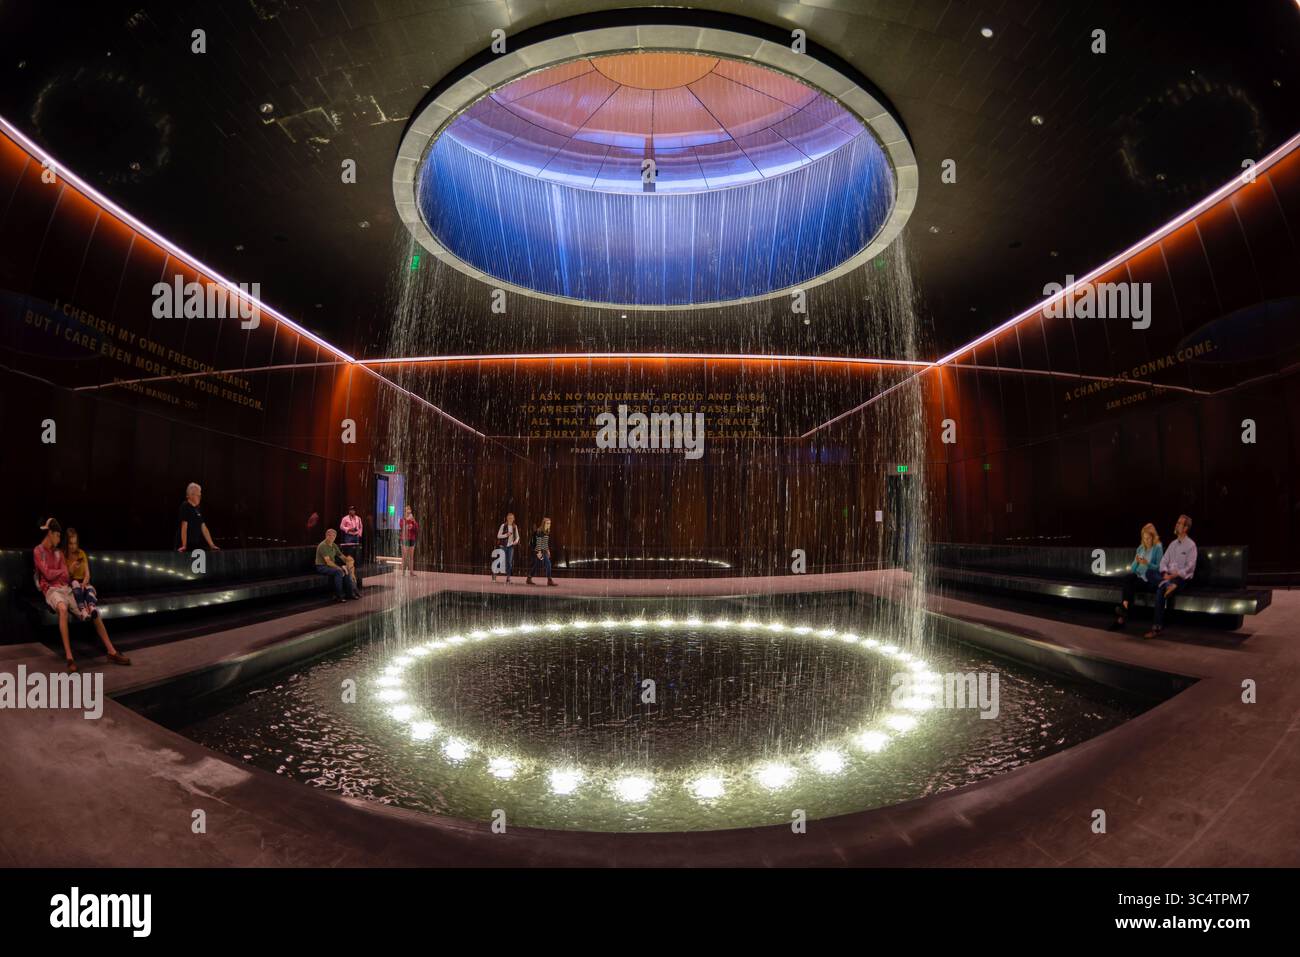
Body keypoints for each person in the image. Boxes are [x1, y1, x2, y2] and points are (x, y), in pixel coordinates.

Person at [34, 519, 129, 672]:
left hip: (66, 589)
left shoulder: (58, 553)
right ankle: (69, 657)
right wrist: (63, 572)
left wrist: (67, 571)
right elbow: (47, 574)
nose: (59, 539)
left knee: (92, 611)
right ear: (50, 534)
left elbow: (65, 578)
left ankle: (112, 652)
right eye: (58, 535)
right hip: (52, 591)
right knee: (63, 609)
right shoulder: (38, 551)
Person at [1145, 514, 1198, 639]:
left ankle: (1156, 628)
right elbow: (1163, 561)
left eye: (1179, 523)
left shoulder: (1191, 545)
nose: (1176, 525)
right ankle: (1166, 584)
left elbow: (1190, 568)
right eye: (1177, 522)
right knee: (1149, 572)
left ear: (1185, 528)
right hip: (1168, 578)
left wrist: (1173, 575)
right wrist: (1164, 574)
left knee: (1161, 589)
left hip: (1181, 579)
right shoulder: (1172, 544)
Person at [1111, 523, 1163, 630]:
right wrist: (1137, 561)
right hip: (1139, 576)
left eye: (1148, 538)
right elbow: (1133, 569)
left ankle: (1122, 617)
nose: (1146, 541)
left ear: (1153, 537)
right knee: (1127, 578)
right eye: (1144, 538)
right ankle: (1125, 608)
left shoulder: (1158, 547)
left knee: (1129, 586)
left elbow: (1159, 568)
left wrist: (1146, 563)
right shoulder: (1140, 548)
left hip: (1149, 579)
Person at [315, 528, 359, 602]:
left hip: (330, 566)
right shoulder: (323, 545)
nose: (332, 537)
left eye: (333, 536)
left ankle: (350, 594)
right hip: (322, 566)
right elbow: (328, 562)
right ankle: (339, 596)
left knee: (346, 570)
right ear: (326, 536)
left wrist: (349, 561)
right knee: (338, 572)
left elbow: (342, 556)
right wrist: (339, 568)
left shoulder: (334, 545)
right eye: (330, 535)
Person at [175, 482, 219, 552]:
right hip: (185, 547)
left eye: (200, 495)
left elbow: (204, 528)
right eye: (198, 495)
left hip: (194, 545)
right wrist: (184, 545)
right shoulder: (185, 506)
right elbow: (184, 526)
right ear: (191, 495)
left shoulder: (198, 509)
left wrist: (212, 545)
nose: (200, 497)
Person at [526, 517, 556, 587]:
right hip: (538, 550)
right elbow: (538, 543)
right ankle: (549, 580)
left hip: (543, 550)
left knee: (537, 565)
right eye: (547, 523)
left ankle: (529, 578)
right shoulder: (539, 531)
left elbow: (545, 542)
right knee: (548, 564)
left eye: (550, 523)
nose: (549, 525)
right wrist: (539, 553)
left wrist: (547, 550)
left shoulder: (547, 531)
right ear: (544, 524)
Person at [339, 506, 364, 588]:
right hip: (349, 536)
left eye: (353, 510)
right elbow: (341, 526)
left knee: (356, 551)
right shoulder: (345, 518)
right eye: (351, 510)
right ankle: (348, 565)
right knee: (348, 551)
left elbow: (361, 526)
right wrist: (348, 529)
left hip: (356, 536)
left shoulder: (358, 518)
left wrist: (359, 534)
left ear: (355, 511)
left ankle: (355, 564)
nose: (352, 511)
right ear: (349, 511)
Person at [493, 512, 520, 583]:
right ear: (507, 519)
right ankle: (494, 574)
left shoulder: (515, 526)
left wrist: (516, 541)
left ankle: (508, 578)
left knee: (509, 562)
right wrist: (506, 535)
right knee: (500, 560)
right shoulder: (503, 526)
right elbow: (498, 536)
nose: (510, 519)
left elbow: (517, 536)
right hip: (503, 546)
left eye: (511, 518)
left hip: (510, 546)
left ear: (513, 519)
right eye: (509, 518)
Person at [400, 505, 418, 576]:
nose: (408, 512)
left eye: (409, 510)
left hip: (412, 539)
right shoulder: (402, 520)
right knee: (404, 556)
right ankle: (403, 572)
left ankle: (411, 572)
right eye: (407, 510)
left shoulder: (412, 520)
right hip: (404, 539)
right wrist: (407, 520)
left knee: (411, 557)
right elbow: (402, 526)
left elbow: (417, 529)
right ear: (405, 512)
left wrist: (414, 521)